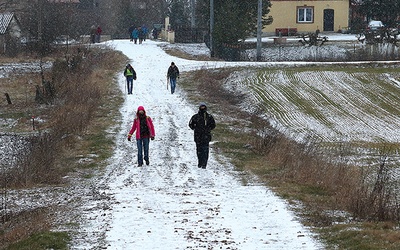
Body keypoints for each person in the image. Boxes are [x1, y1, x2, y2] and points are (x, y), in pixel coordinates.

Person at [188, 102, 216, 169]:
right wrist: (196, 129)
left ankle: (204, 164)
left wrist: (208, 129)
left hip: (206, 136)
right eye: (201, 107)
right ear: (199, 108)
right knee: (199, 150)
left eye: (204, 107)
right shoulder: (195, 117)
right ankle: (200, 163)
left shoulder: (209, 117)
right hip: (198, 136)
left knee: (205, 150)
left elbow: (213, 125)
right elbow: (190, 124)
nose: (203, 108)